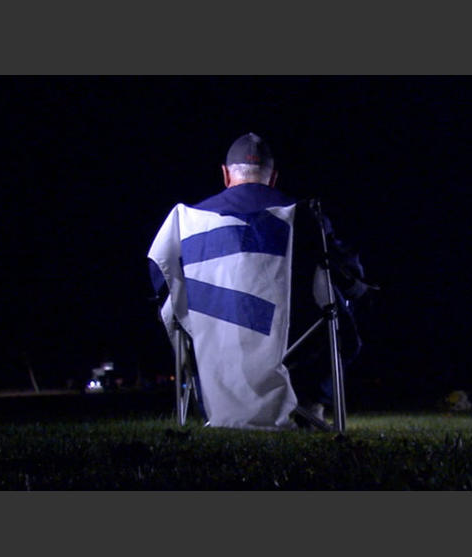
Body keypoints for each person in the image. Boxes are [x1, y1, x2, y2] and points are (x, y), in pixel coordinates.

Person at [148, 133, 375, 428]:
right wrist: (359, 288)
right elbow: (343, 268)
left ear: (226, 174)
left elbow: (162, 277)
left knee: (181, 316)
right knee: (342, 325)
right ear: (273, 177)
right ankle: (311, 404)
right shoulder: (303, 214)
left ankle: (215, 403)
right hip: (294, 333)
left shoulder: (188, 218)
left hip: (216, 330)